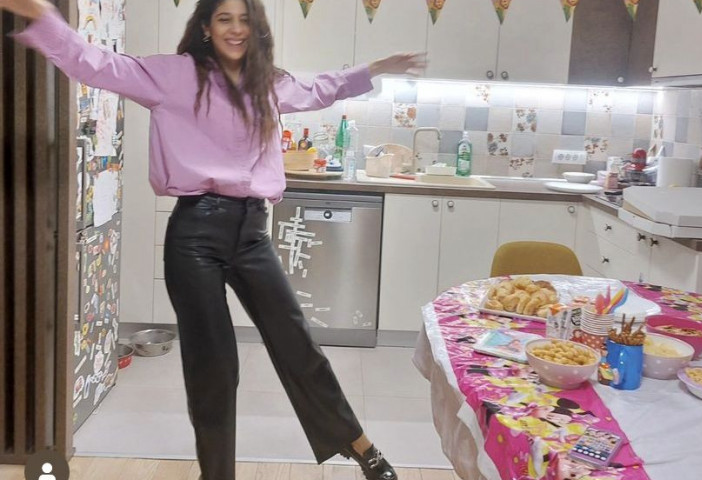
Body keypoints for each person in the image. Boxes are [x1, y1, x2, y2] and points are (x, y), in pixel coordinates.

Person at [3, 0, 427, 479]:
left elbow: (317, 88)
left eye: (245, 19)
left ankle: (359, 445)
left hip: (252, 234)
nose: (236, 28)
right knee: (214, 369)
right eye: (225, 18)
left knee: (297, 343)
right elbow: (98, 64)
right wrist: (45, 17)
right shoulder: (173, 76)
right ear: (206, 27)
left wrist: (375, 68)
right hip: (195, 236)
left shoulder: (265, 81)